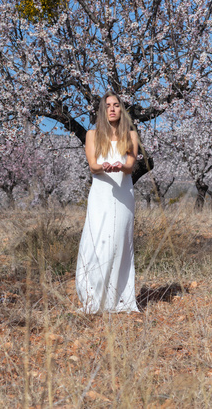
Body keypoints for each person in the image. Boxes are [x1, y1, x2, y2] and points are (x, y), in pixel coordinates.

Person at [75, 91, 140, 313]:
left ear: (122, 110)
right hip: (101, 193)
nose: (112, 109)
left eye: (116, 105)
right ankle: (95, 296)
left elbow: (131, 165)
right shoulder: (92, 135)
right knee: (98, 241)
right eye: (108, 106)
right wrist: (104, 167)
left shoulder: (131, 136)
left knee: (119, 243)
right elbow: (92, 165)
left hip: (123, 194)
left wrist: (120, 167)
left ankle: (119, 298)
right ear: (102, 111)